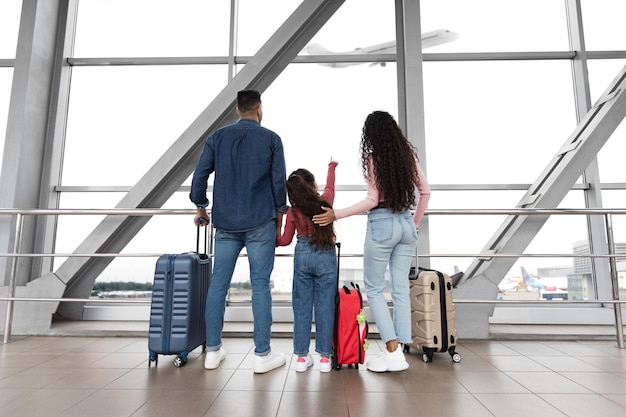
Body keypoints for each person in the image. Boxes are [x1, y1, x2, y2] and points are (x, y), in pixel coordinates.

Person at [313, 110, 430, 373]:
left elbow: (372, 200)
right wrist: (414, 224)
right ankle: (398, 350)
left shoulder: (373, 159)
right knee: (400, 288)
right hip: (405, 224)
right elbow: (426, 191)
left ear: (371, 135)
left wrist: (336, 214)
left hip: (382, 225)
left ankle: (392, 352)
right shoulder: (407, 157)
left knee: (375, 288)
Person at [190, 89, 288, 374]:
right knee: (260, 286)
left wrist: (201, 206)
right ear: (260, 109)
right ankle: (262, 355)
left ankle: (212, 351)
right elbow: (278, 181)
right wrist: (279, 214)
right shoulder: (271, 139)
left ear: (237, 109)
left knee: (218, 285)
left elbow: (200, 175)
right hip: (260, 222)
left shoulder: (217, 138)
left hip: (226, 223)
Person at [276, 159, 338, 373]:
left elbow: (283, 241)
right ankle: (324, 359)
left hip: (302, 255)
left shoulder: (293, 212)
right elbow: (330, 187)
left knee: (302, 308)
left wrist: (278, 222)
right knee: (325, 307)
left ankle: (302, 358)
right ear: (312, 186)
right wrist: (331, 167)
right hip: (326, 255)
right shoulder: (325, 202)